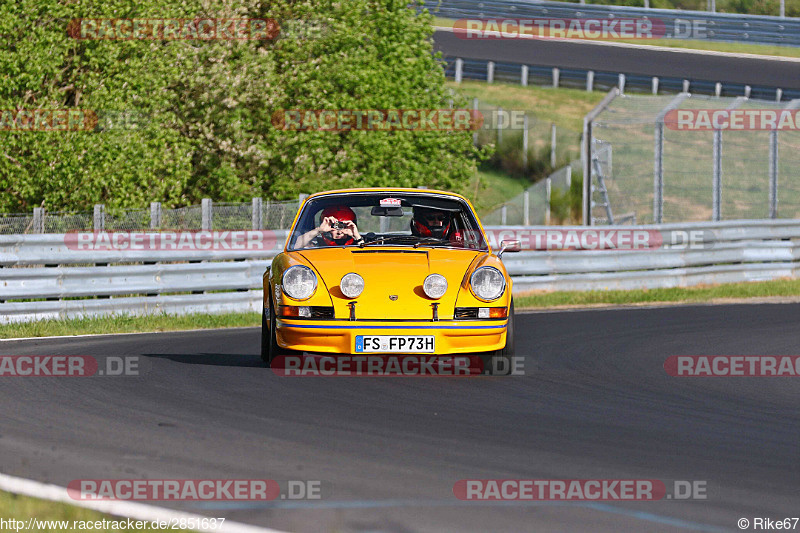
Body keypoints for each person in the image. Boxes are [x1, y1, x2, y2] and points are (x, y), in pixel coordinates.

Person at [295, 205, 364, 248]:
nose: (339, 232)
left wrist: (357, 237)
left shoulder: (361, 242)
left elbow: (367, 255)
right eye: (334, 226)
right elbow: (295, 246)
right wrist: (319, 230)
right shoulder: (317, 245)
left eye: (344, 227)